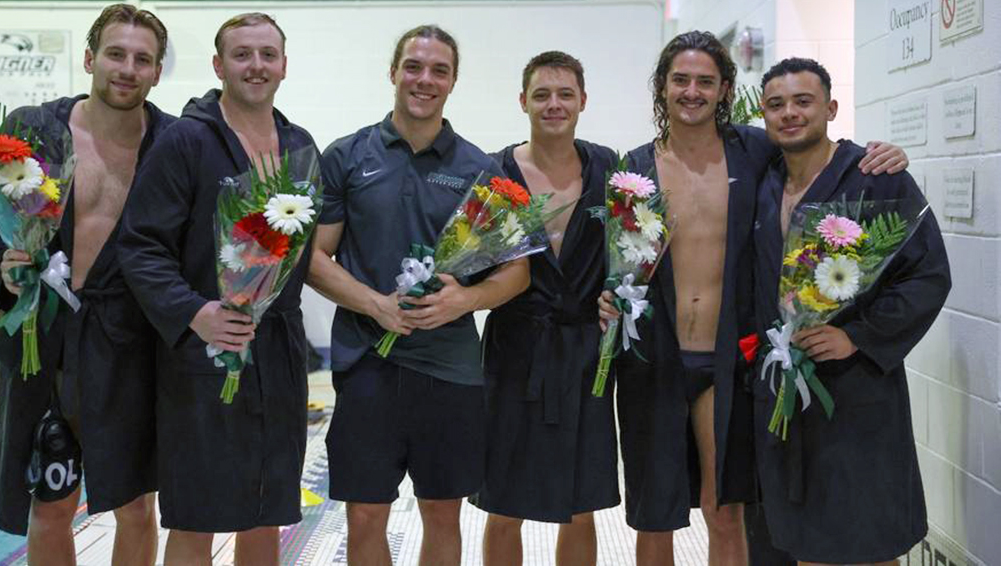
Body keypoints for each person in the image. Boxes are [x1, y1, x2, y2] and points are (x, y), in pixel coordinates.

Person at [600, 31, 908, 566]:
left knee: (725, 509)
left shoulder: (755, 150)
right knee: (653, 515)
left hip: (726, 360)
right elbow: (619, 259)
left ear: (724, 90)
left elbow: (818, 150)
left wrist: (880, 153)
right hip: (655, 356)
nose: (692, 91)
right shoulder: (634, 170)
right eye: (680, 80)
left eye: (705, 82)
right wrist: (608, 299)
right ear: (662, 87)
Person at [306, 25, 529, 566]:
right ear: (393, 72)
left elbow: (517, 274)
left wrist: (465, 301)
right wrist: (373, 304)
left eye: (439, 70)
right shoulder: (347, 155)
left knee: (441, 512)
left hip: (448, 369)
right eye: (414, 66)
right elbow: (313, 259)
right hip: (366, 366)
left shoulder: (480, 169)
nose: (424, 80)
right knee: (363, 512)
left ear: (453, 81)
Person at [0, 5, 173, 564]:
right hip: (42, 334)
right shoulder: (34, 127)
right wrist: (4, 262)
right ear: (89, 58)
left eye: (142, 59)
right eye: (115, 54)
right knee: (49, 498)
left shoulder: (174, 143)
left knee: (135, 503)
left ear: (157, 72)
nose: (127, 69)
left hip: (127, 343)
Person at [118, 12, 317, 566]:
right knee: (197, 513)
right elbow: (140, 244)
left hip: (277, 351)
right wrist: (193, 311)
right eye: (242, 54)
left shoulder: (300, 145)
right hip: (202, 352)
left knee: (268, 509)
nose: (257, 66)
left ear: (283, 65)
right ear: (218, 65)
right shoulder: (186, 140)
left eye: (267, 55)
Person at [752, 57, 949, 566]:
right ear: (763, 114)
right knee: (805, 533)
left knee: (867, 530)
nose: (789, 113)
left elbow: (927, 276)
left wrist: (857, 335)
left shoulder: (875, 177)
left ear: (831, 108)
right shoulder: (764, 180)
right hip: (786, 385)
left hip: (858, 384)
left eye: (803, 101)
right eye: (776, 104)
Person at [469, 51, 619, 566]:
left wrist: (619, 293)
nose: (553, 105)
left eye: (564, 94)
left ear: (582, 101)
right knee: (502, 502)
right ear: (523, 101)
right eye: (542, 95)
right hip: (515, 350)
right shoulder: (494, 172)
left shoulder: (610, 168)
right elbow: (470, 260)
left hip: (584, 353)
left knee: (581, 505)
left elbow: (637, 249)